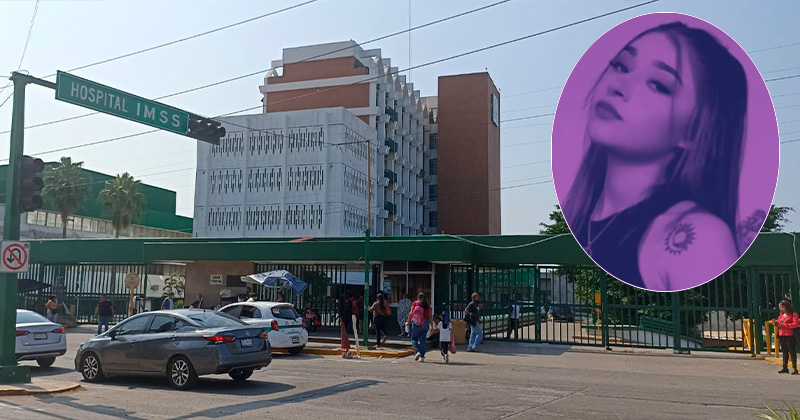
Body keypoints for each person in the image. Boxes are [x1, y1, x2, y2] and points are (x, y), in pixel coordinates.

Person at [564, 22, 748, 291]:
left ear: (694, 131)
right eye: (621, 66)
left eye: (657, 85)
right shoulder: (581, 214)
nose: (619, 85)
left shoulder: (698, 236)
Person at [772, 300, 799, 375]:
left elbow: (795, 324)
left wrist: (785, 325)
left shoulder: (793, 314)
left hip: (790, 335)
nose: (781, 309)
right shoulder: (782, 315)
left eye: (782, 307)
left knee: (792, 352)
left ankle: (794, 368)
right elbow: (779, 323)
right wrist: (775, 323)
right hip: (782, 335)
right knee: (784, 352)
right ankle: (785, 367)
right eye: (780, 307)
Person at [405, 292, 435, 362]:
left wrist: (408, 322)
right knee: (423, 340)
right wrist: (432, 326)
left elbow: (411, 313)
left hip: (416, 323)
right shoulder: (428, 306)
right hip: (425, 323)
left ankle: (417, 351)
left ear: (418, 298)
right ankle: (422, 356)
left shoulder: (415, 303)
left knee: (414, 339)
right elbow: (430, 317)